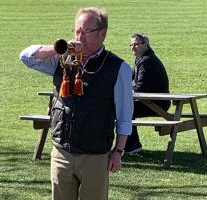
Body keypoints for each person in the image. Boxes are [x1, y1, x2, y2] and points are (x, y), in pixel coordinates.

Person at [19, 7, 133, 200]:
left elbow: (125, 115)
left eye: (85, 32)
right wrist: (58, 48)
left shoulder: (118, 67)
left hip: (95, 156)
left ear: (102, 33)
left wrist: (118, 152)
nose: (79, 37)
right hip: (62, 152)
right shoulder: (62, 58)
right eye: (76, 31)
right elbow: (27, 57)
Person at [124, 33, 170, 154]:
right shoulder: (141, 59)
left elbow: (140, 87)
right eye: (131, 44)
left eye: (136, 44)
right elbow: (133, 81)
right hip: (151, 102)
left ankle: (132, 145)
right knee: (125, 109)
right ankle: (131, 144)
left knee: (125, 110)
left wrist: (126, 88)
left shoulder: (147, 61)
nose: (132, 47)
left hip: (158, 104)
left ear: (145, 44)